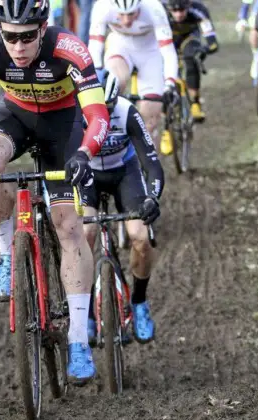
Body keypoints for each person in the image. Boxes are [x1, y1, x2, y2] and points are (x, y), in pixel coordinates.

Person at [0, 0, 110, 385]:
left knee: (68, 226)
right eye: (10, 37)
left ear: (43, 28)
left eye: (28, 37)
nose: (18, 47)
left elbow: (98, 115)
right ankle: (6, 254)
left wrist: (86, 153)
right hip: (14, 117)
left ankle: (80, 341)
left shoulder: (70, 49)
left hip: (63, 124)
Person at [83, 70, 164, 344]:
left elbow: (152, 163)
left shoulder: (128, 112)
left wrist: (153, 198)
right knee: (84, 235)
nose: (103, 118)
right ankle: (86, 314)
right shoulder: (71, 111)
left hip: (124, 173)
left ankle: (139, 302)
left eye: (107, 109)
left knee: (141, 239)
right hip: (88, 177)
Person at [87, 0, 179, 157]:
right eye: (121, 15)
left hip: (150, 53)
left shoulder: (153, 8)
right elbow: (95, 47)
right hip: (120, 47)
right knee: (113, 86)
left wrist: (170, 83)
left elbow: (168, 52)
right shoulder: (102, 7)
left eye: (131, 14)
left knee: (149, 116)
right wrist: (94, 78)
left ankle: (148, 168)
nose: (126, 21)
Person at [163, 0, 218, 123]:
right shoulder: (159, 10)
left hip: (189, 39)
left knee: (191, 57)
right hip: (166, 39)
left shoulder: (199, 10)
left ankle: (195, 103)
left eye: (182, 10)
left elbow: (211, 41)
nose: (178, 15)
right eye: (174, 10)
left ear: (188, 6)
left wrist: (206, 48)